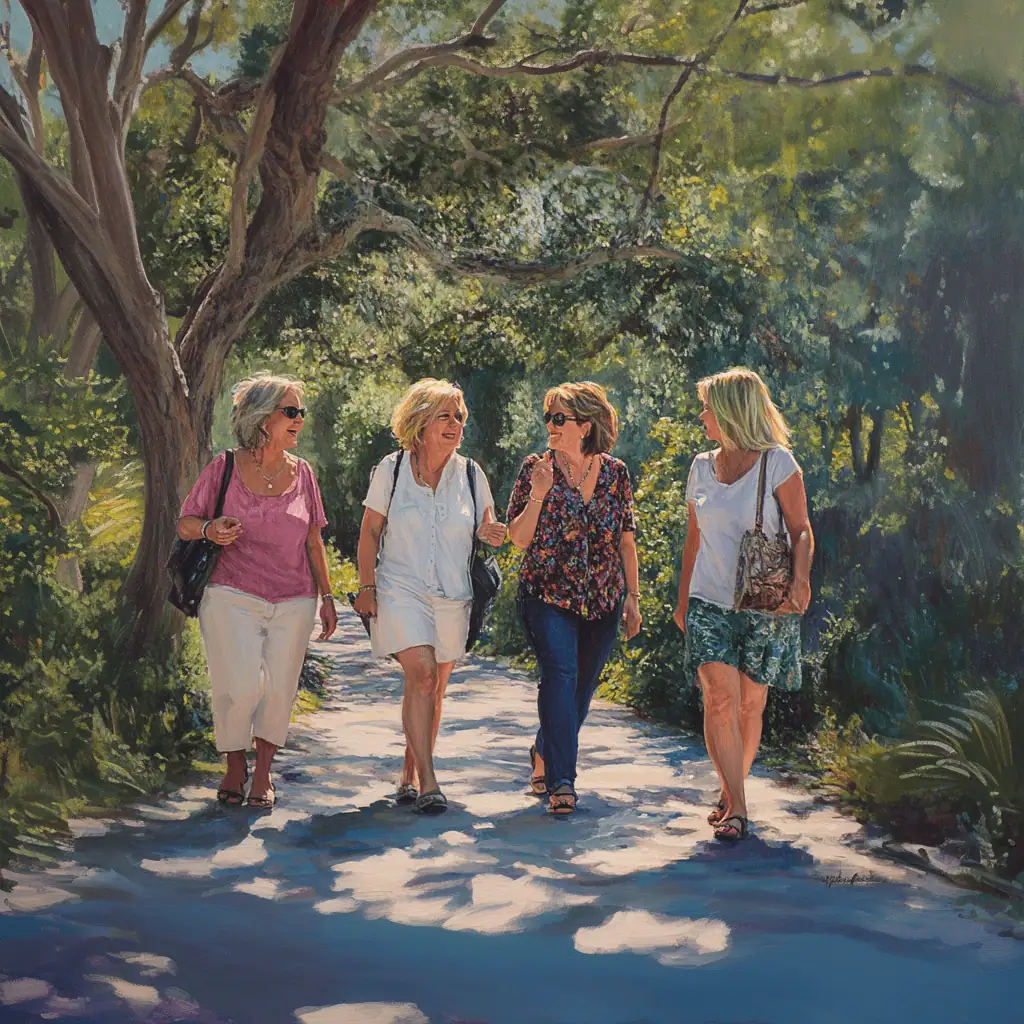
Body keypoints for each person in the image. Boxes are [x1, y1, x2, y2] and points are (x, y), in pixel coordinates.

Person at [177, 374, 337, 810]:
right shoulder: (224, 466)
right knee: (240, 685)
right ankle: (234, 763)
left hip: (295, 598)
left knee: (280, 687)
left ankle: (262, 772)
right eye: (290, 411)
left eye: (301, 412)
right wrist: (211, 528)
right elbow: (186, 523)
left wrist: (327, 597)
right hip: (231, 592)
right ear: (262, 417)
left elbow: (313, 540)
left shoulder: (303, 473)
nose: (299, 420)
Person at [353, 379, 507, 815]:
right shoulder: (392, 468)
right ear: (420, 423)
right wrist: (367, 587)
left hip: (454, 595)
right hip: (400, 587)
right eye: (445, 415)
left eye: (459, 416)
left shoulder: (472, 475)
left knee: (433, 689)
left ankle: (409, 767)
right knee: (420, 674)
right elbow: (369, 531)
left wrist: (491, 532)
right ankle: (429, 781)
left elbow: (487, 528)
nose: (455, 424)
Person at [673, 367, 813, 841]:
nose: (702, 415)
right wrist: (682, 600)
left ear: (732, 412)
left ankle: (731, 791)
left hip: (763, 602)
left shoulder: (778, 463)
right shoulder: (699, 467)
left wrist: (801, 580)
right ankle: (739, 806)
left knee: (751, 706)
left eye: (708, 407)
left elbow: (801, 529)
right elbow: (693, 540)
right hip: (708, 601)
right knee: (719, 697)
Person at [507, 382, 642, 815]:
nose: (550, 425)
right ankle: (563, 781)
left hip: (603, 599)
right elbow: (518, 539)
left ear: (585, 426)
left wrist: (633, 597)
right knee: (560, 676)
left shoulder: (616, 473)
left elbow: (626, 542)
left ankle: (545, 750)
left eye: (559, 418)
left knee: (582, 688)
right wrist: (540, 493)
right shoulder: (535, 469)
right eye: (548, 417)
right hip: (547, 595)